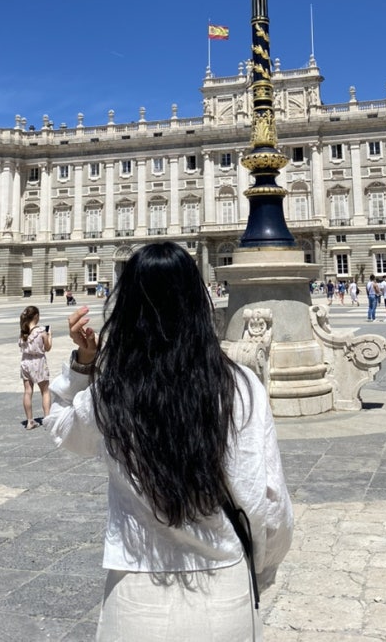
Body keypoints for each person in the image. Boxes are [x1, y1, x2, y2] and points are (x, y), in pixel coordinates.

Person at [44, 241, 293, 641]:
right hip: (225, 592)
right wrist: (260, 571)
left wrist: (82, 366)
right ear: (198, 303)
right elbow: (268, 500)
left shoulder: (110, 392)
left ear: (127, 309)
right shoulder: (242, 387)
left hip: (135, 597)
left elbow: (63, 430)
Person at [19, 305, 52, 429]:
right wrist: (50, 336)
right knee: (45, 391)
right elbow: (47, 348)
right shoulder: (41, 331)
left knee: (28, 391)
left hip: (25, 362)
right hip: (38, 362)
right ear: (36, 316)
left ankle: (29, 421)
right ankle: (47, 420)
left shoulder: (23, 332)